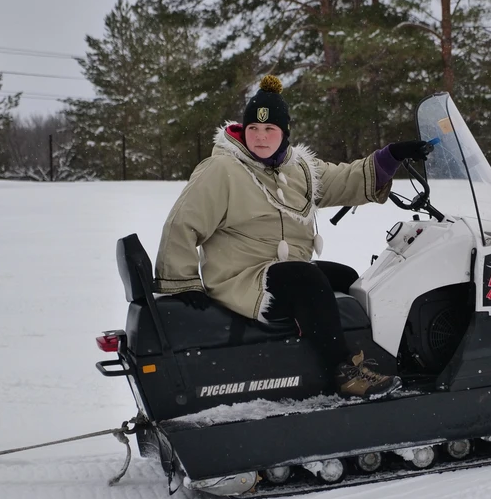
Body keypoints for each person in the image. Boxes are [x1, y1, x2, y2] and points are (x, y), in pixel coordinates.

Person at [154, 75, 429, 400]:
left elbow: (344, 179)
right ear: (243, 130)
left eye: (269, 129)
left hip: (280, 271)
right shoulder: (222, 170)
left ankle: (346, 360)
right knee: (306, 277)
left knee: (344, 277)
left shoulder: (297, 168)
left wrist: (390, 156)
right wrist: (183, 281)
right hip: (241, 277)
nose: (260, 137)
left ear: (284, 133)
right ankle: (344, 373)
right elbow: (182, 222)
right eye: (253, 129)